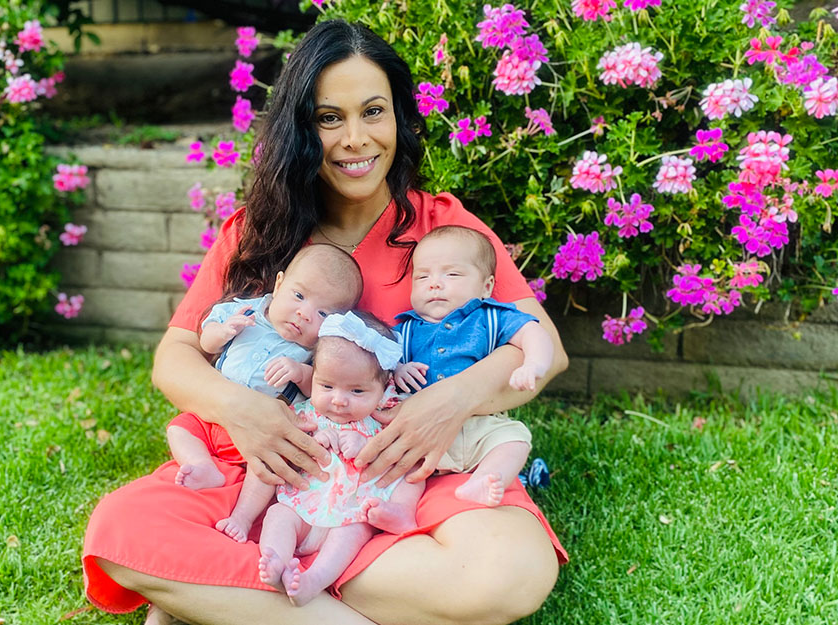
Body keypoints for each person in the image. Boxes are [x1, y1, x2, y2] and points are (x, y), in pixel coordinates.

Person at [83, 18, 569, 625]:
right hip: (278, 473)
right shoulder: (253, 234)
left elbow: (541, 343)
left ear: (400, 119)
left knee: (507, 573)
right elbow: (175, 357)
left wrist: (450, 401)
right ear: (301, 129)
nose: (356, 139)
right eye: (329, 117)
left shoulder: (444, 230)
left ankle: (221, 601)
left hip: (409, 472)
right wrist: (245, 412)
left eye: (374, 111)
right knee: (120, 531)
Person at [222, 311, 424, 606]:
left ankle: (313, 580)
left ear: (383, 389)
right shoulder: (305, 415)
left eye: (357, 391)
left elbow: (397, 454)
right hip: (301, 508)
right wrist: (313, 441)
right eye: (327, 387)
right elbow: (285, 452)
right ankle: (274, 560)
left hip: (351, 513)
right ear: (314, 377)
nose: (339, 400)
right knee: (277, 515)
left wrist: (364, 443)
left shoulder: (379, 419)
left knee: (353, 534)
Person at [170, 243, 363, 491]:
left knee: (274, 464)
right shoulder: (242, 311)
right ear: (280, 284)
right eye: (299, 296)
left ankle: (245, 508)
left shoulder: (316, 349)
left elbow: (320, 386)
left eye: (323, 313)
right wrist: (223, 331)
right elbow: (206, 343)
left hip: (265, 435)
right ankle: (202, 465)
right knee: (180, 428)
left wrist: (301, 372)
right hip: (216, 417)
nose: (304, 313)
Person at [390, 225, 554, 508]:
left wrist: (534, 364)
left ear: (486, 286)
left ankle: (488, 479)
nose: (435, 283)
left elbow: (534, 333)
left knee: (515, 440)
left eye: (451, 274)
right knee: (402, 467)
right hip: (424, 432)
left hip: (482, 425)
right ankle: (398, 509)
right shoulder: (404, 331)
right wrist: (396, 370)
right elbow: (376, 366)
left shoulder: (490, 318)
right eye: (422, 276)